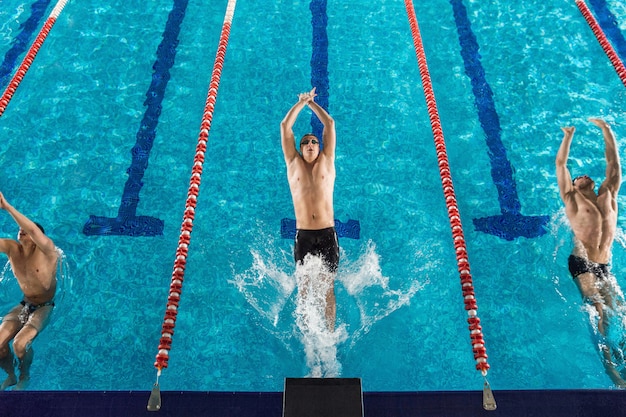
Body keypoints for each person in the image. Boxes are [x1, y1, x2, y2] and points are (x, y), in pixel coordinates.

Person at [556, 118, 626, 387]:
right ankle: (613, 373)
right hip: (581, 263)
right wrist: (568, 136)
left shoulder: (609, 193)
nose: (580, 175)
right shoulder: (572, 200)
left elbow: (614, 164)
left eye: (584, 175)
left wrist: (606, 130)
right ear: (573, 186)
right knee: (599, 309)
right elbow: (561, 165)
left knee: (620, 312)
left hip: (604, 265)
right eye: (576, 178)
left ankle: (624, 358)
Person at [281, 87, 339, 331]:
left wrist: (312, 104)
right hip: (304, 235)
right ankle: (307, 335)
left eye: (314, 141)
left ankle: (329, 335)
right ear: (299, 148)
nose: (311, 144)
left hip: (326, 233)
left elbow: (330, 123)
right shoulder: (293, 163)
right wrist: (300, 103)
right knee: (304, 289)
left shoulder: (327, 161)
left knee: (327, 288)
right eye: (305, 142)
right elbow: (285, 127)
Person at [0, 192, 58, 390]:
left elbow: (32, 228)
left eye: (26, 229)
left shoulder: (48, 251)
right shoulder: (12, 249)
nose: (21, 230)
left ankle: (24, 376)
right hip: (24, 304)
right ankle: (10, 375)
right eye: (20, 229)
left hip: (44, 306)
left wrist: (7, 207)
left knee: (19, 344)